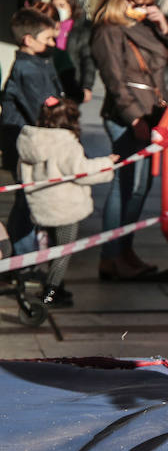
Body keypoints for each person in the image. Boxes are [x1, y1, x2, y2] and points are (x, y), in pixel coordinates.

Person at [90, 0, 168, 281]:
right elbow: (114, 80)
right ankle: (111, 256)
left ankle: (125, 250)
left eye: (147, 3)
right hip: (127, 115)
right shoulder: (108, 30)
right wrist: (134, 118)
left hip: (154, 112)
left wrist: (164, 25)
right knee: (125, 185)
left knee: (141, 187)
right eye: (137, 3)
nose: (142, 9)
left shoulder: (146, 27)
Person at [16, 96, 116, 307]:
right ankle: (50, 293)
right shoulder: (66, 143)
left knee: (55, 248)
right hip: (65, 207)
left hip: (43, 205)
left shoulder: (29, 140)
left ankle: (57, 288)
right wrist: (107, 163)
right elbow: (82, 172)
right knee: (63, 251)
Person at [2, 7, 63, 256]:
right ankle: (24, 260)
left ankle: (22, 257)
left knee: (25, 201)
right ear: (29, 40)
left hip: (27, 140)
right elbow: (42, 109)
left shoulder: (37, 63)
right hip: (25, 142)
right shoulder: (28, 70)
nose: (52, 43)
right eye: (47, 38)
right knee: (28, 201)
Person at [50, 0, 96, 103]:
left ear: (72, 7)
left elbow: (88, 59)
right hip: (51, 82)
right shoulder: (48, 26)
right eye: (54, 6)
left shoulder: (82, 29)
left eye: (61, 5)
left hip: (73, 82)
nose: (57, 9)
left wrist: (87, 86)